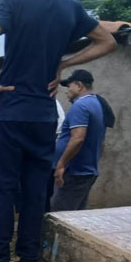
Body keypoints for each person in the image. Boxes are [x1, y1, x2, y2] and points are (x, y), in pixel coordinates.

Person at [0, 0, 116, 262]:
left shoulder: (14, 2)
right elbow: (107, 41)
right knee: (36, 191)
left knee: (2, 190)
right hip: (43, 114)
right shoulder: (71, 7)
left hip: (6, 113)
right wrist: (64, 64)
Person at [51, 69, 110, 211]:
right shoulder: (98, 104)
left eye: (69, 86)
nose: (67, 91)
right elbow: (101, 141)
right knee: (75, 215)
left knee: (61, 217)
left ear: (78, 85)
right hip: (86, 171)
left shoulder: (80, 106)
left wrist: (60, 165)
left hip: (74, 172)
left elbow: (78, 138)